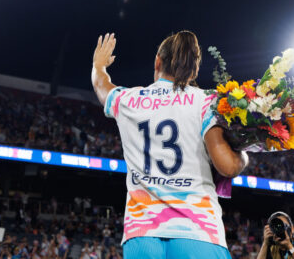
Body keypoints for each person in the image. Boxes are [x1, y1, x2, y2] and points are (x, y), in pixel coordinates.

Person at [92, 31, 248, 259]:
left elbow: (102, 87)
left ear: (158, 61)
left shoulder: (128, 100)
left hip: (142, 236)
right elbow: (228, 166)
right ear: (194, 70)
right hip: (198, 233)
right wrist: (244, 153)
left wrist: (99, 66)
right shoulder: (207, 102)